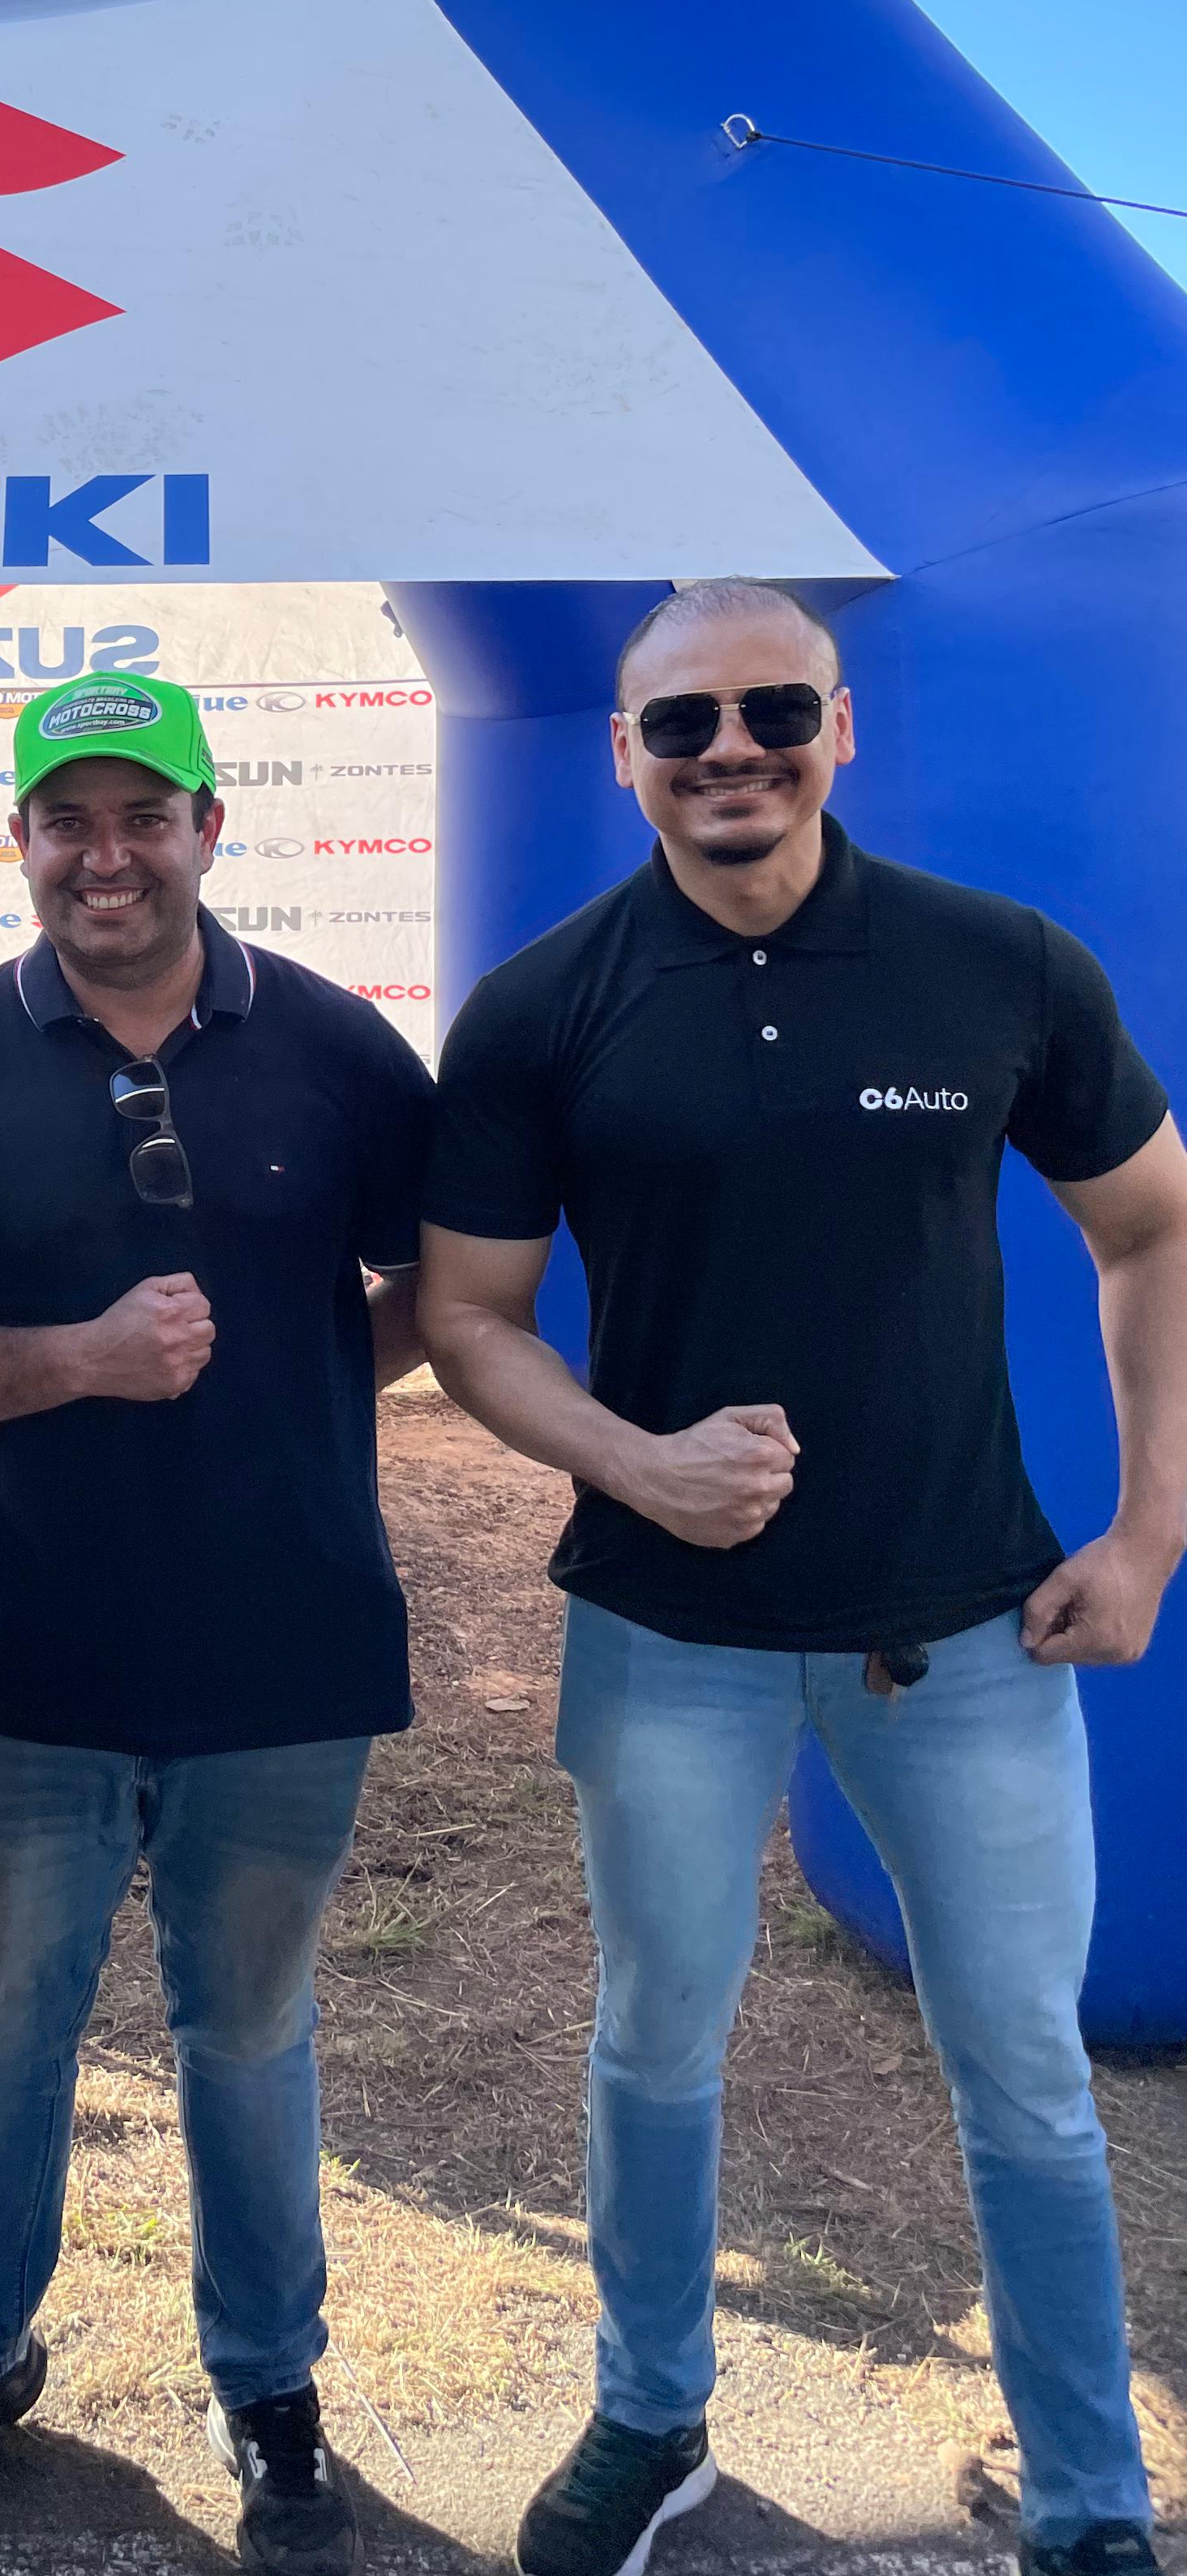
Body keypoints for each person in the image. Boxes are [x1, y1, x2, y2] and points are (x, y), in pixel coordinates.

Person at [417, 578, 1187, 2576]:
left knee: (1028, 2080)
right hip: (663, 1631)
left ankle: (1091, 2501)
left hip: (968, 1629)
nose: (731, 751)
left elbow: (1154, 1229)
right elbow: (470, 1316)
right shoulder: (544, 1007)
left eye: (773, 710)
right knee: (654, 2045)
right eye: (682, 724)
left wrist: (1150, 1532)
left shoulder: (994, 965)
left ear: (842, 727)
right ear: (625, 756)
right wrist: (634, 1463)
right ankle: (651, 2416)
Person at [0, 673, 435, 2576]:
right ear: (20, 843)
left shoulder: (335, 1046)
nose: (108, 857)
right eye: (67, 822)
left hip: (284, 1656)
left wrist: (311, 1388)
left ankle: (269, 2386)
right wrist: (79, 1361)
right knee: (1, 2031)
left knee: (247, 2036)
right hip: (26, 1655)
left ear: (207, 829)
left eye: (142, 816)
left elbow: (449, 1280)